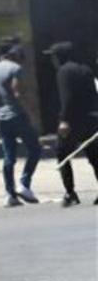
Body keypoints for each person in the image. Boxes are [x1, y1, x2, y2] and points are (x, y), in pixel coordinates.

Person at [0, 38, 41, 207]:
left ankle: (10, 194)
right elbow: (17, 93)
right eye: (17, 51)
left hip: (1, 118)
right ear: (11, 52)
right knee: (35, 149)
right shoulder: (15, 68)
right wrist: (31, 113)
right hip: (18, 116)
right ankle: (24, 184)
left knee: (9, 156)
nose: (20, 54)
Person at [45, 42, 98, 206]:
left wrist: (64, 120)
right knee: (95, 157)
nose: (52, 60)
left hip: (74, 121)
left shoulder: (64, 72)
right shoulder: (86, 70)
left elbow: (67, 98)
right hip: (91, 119)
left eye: (53, 56)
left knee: (62, 154)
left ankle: (70, 192)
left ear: (59, 56)